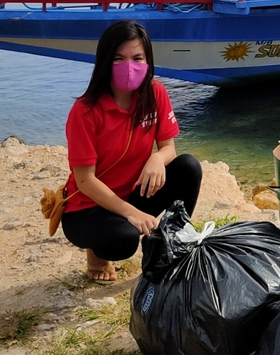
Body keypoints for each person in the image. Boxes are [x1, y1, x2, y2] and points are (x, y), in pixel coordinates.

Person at [60, 20, 202, 282]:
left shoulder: (155, 93)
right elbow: (85, 180)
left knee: (188, 167)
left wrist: (157, 159)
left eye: (137, 58)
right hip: (88, 208)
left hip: (134, 192)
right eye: (118, 58)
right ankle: (96, 253)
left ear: (148, 61)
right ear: (104, 61)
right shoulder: (85, 111)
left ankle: (175, 246)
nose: (129, 66)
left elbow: (169, 147)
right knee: (124, 242)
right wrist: (131, 213)